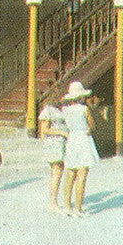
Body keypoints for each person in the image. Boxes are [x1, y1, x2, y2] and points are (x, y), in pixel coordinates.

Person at [59, 82, 98, 217]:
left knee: (70, 173)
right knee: (82, 173)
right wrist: (88, 129)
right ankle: (78, 208)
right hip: (82, 138)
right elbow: (92, 125)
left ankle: (66, 206)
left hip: (72, 138)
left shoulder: (65, 110)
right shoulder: (84, 109)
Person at [37, 96, 67, 212]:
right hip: (53, 144)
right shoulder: (48, 111)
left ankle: (54, 201)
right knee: (56, 172)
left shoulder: (60, 110)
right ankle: (53, 203)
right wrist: (61, 133)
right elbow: (44, 130)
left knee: (58, 172)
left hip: (60, 144)